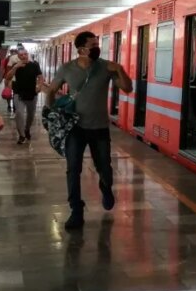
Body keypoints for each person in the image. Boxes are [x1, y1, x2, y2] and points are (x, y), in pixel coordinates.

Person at [46, 32, 133, 230]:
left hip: (100, 127)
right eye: (93, 45)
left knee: (104, 167)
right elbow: (52, 90)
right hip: (75, 128)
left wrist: (119, 70)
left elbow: (128, 88)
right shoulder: (67, 69)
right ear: (81, 50)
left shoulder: (106, 66)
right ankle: (76, 210)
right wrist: (52, 113)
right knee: (73, 168)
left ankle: (106, 186)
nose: (97, 47)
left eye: (97, 44)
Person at [5, 48, 44, 144]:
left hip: (31, 93)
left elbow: (40, 77)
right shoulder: (15, 66)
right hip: (19, 92)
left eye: (25, 54)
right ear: (18, 56)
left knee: (31, 115)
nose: (23, 56)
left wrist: (39, 86)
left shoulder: (35, 65)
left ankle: (27, 129)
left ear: (28, 54)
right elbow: (8, 77)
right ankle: (21, 135)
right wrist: (15, 67)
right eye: (21, 55)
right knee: (19, 113)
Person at [1, 47, 20, 113]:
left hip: (9, 78)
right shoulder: (19, 59)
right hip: (13, 79)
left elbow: (3, 69)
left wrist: (1, 78)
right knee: (13, 92)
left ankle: (9, 105)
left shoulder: (7, 59)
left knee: (8, 92)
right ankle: (14, 106)